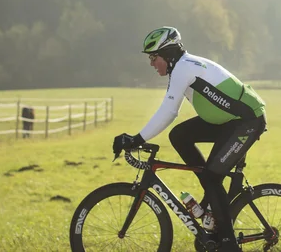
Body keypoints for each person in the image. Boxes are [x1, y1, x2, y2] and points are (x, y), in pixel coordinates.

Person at [113, 26, 267, 252]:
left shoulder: (184, 68)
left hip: (247, 121)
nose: (151, 63)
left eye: (154, 57)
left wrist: (136, 139)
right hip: (229, 121)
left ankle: (228, 244)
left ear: (168, 54)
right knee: (179, 135)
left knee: (213, 177)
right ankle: (210, 199)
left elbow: (168, 111)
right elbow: (171, 114)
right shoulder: (183, 67)